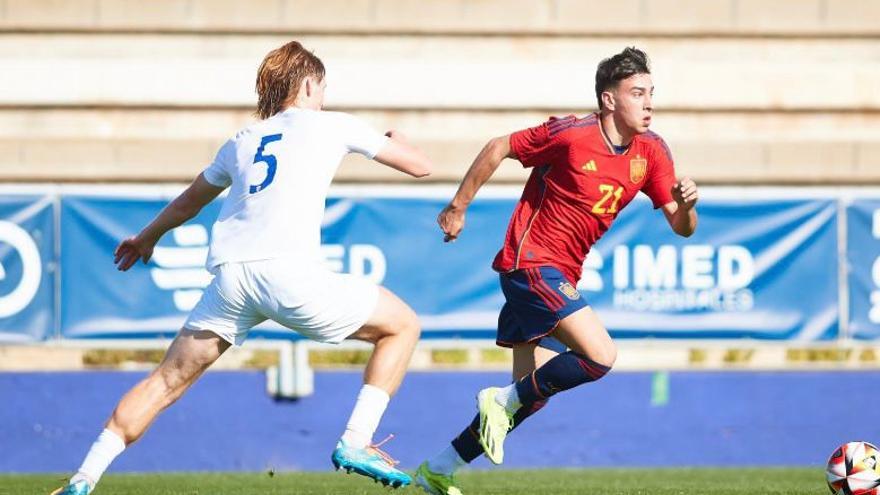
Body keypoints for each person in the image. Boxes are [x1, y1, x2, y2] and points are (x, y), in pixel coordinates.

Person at [52, 40, 432, 495]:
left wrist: (146, 237)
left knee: (166, 381)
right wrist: (399, 141)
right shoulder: (332, 125)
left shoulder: (241, 140)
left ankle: (83, 479)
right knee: (402, 326)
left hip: (231, 278)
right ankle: (356, 440)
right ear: (310, 83)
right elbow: (421, 167)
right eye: (322, 87)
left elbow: (189, 202)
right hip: (288, 272)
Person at [415, 47, 699, 495]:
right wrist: (458, 206)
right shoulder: (571, 134)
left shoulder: (652, 150)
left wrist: (685, 206)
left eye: (651, 94)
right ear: (610, 100)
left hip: (560, 273)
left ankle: (439, 469)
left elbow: (681, 228)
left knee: (530, 398)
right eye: (637, 93)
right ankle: (499, 400)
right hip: (530, 264)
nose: (648, 103)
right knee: (600, 356)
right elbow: (499, 146)